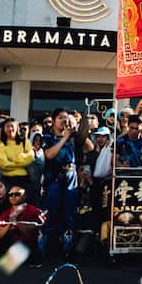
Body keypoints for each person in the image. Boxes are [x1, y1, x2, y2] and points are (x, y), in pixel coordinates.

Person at [39, 108, 90, 257]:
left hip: (70, 176)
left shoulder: (73, 135)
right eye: (60, 118)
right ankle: (47, 250)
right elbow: (49, 155)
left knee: (69, 212)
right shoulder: (47, 136)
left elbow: (88, 144)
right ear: (53, 120)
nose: (64, 120)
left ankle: (67, 249)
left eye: (66, 118)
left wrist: (83, 119)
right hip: (53, 176)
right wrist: (64, 138)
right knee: (51, 211)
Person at [0, 184, 43, 253]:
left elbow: (31, 233)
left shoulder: (33, 211)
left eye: (17, 194)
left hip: (29, 248)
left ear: (24, 196)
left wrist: (16, 221)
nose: (13, 196)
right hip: (10, 248)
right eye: (11, 194)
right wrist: (10, 224)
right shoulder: (5, 213)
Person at [0, 118, 35, 198]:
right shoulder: (1, 145)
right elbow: (4, 165)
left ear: (17, 128)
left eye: (12, 126)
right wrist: (22, 163)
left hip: (24, 179)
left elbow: (31, 157)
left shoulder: (25, 141)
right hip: (8, 180)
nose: (10, 129)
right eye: (7, 126)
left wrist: (14, 159)